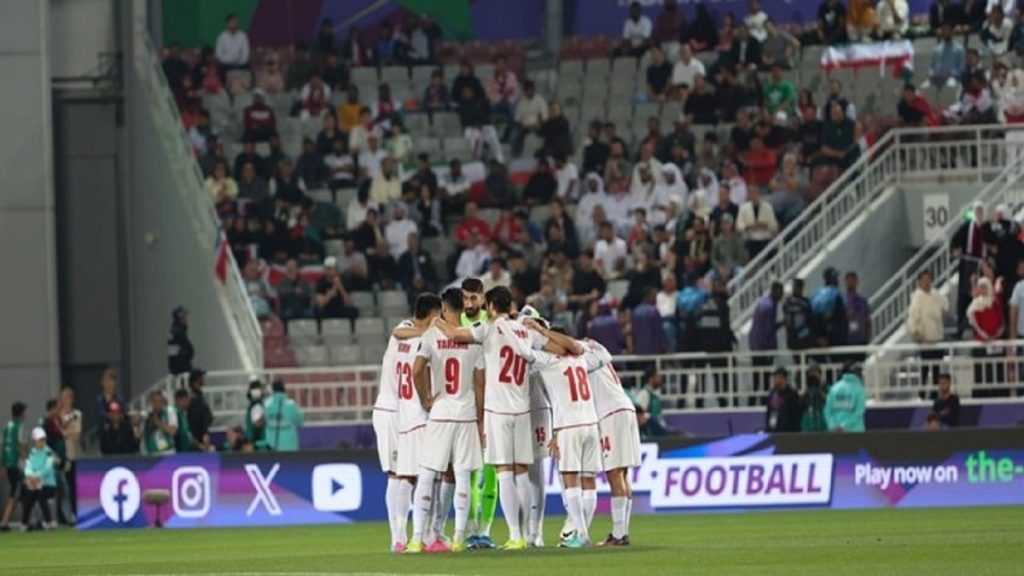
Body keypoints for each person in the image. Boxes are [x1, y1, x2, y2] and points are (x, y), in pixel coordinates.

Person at [407, 289, 483, 553]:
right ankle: (459, 538)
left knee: (427, 473)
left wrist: (425, 399)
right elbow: (480, 383)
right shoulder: (474, 336)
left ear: (443, 307)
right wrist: (480, 418)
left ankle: (417, 538)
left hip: (441, 411)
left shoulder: (432, 335)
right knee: (462, 475)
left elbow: (416, 370)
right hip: (466, 413)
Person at [388, 295, 442, 553]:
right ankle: (427, 535)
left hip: (404, 414)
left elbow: (397, 331)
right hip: (421, 415)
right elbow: (421, 372)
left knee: (405, 476)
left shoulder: (403, 337)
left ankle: (399, 537)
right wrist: (428, 400)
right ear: (432, 315)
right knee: (430, 477)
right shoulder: (424, 340)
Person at [907, 270, 949, 384]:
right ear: (919, 282)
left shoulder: (937, 295)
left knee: (937, 369)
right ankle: (922, 391)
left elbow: (945, 306)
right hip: (924, 339)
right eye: (924, 280)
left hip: (937, 337)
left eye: (928, 280)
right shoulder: (916, 297)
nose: (926, 282)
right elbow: (913, 317)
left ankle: (936, 390)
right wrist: (916, 333)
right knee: (924, 369)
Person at [750, 283, 784, 401]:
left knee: (756, 378)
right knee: (764, 378)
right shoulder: (770, 307)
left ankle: (753, 402)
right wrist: (782, 323)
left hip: (755, 345)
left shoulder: (763, 302)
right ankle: (763, 402)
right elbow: (769, 329)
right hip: (764, 347)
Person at [21, 428, 57, 531]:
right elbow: (28, 467)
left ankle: (48, 522)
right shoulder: (32, 453)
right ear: (35, 441)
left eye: (43, 439)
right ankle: (24, 523)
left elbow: (47, 468)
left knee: (41, 494)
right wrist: (31, 477)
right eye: (39, 440)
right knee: (28, 497)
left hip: (48, 484)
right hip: (34, 482)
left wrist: (36, 477)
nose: (42, 442)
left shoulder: (49, 452)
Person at [0, 401, 27, 531]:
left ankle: (28, 520)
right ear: (21, 413)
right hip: (17, 464)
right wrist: (26, 462)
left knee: (21, 492)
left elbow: (3, 446)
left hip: (8, 464)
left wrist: (3, 465)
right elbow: (21, 445)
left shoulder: (6, 427)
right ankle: (4, 522)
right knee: (15, 493)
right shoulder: (19, 426)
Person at [263, 380, 305, 452]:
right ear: (284, 389)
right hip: (288, 444)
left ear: (272, 390)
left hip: (270, 444)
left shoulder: (266, 404)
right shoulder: (291, 405)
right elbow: (300, 421)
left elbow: (263, 421)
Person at [824, 363, 866, 433]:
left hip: (835, 432)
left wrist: (833, 426)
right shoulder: (859, 389)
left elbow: (828, 410)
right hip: (855, 431)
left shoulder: (834, 388)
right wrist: (844, 426)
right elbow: (859, 412)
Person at [315, 257, 359, 323]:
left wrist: (340, 287)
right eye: (328, 269)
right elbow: (321, 304)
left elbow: (348, 302)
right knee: (318, 312)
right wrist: (334, 288)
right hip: (327, 309)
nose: (331, 271)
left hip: (340, 308)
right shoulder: (321, 283)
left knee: (353, 312)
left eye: (333, 268)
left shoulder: (344, 281)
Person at [784, 278, 814, 360]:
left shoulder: (787, 302)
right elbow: (811, 320)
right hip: (802, 339)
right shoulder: (805, 303)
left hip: (793, 339)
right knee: (802, 361)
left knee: (799, 361)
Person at [766, 368, 802, 433]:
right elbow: (769, 412)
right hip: (773, 430)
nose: (774, 380)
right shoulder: (772, 394)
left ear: (783, 379)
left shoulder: (792, 395)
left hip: (788, 431)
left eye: (776, 378)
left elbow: (796, 415)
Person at [142, 391, 178, 455]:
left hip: (168, 452)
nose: (158, 404)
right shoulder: (147, 416)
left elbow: (173, 431)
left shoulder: (169, 412)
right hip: (151, 453)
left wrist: (157, 422)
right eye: (155, 401)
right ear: (151, 402)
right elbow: (140, 435)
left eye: (160, 401)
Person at [215, 13, 250, 77]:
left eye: (236, 22)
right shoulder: (221, 37)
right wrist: (230, 60)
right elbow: (218, 55)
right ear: (227, 24)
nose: (234, 24)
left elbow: (245, 55)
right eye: (232, 22)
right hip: (226, 65)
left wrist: (238, 63)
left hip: (240, 65)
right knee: (221, 70)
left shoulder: (243, 36)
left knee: (247, 69)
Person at [187, 369, 214, 450]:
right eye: (201, 377)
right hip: (198, 438)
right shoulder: (193, 399)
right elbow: (198, 418)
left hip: (201, 436)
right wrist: (204, 433)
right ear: (196, 380)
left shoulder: (198, 396)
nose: (203, 379)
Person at [800, 364, 829, 432]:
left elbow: (828, 401)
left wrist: (820, 390)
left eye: (815, 373)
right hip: (808, 423)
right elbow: (801, 404)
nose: (813, 375)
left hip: (822, 421)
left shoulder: (826, 388)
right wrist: (807, 391)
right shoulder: (807, 390)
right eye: (811, 373)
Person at [167, 305, 194, 376]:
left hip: (180, 371)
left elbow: (173, 353)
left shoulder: (175, 332)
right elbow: (174, 355)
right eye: (185, 316)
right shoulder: (177, 333)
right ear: (181, 318)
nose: (187, 319)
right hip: (182, 372)